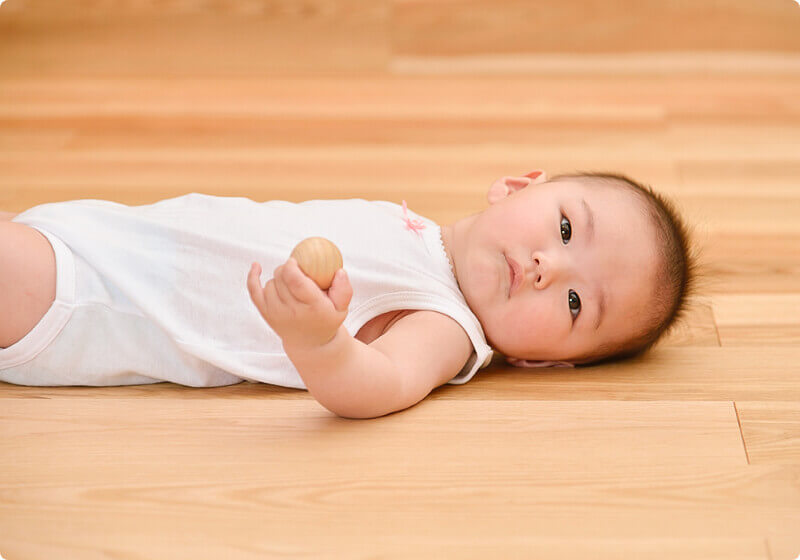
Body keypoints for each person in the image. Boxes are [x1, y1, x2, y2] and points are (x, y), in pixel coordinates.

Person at [0, 170, 699, 418]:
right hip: (101, 235)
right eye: (567, 227)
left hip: (96, 302)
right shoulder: (417, 233)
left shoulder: (447, 323)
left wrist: (319, 341)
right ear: (517, 186)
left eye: (575, 306)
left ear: (542, 361)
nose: (550, 267)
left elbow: (378, 384)